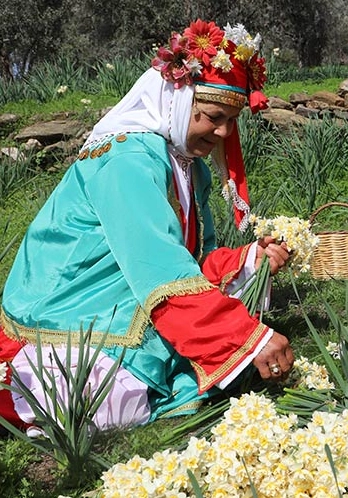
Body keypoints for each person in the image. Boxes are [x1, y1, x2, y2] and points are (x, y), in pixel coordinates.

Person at [0, 19, 295, 431]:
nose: (224, 131)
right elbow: (159, 269)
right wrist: (243, 337)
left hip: (122, 297)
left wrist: (249, 259)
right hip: (69, 309)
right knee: (117, 399)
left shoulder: (188, 167)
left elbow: (189, 260)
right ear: (177, 100)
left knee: (166, 375)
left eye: (232, 120)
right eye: (213, 116)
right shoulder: (128, 162)